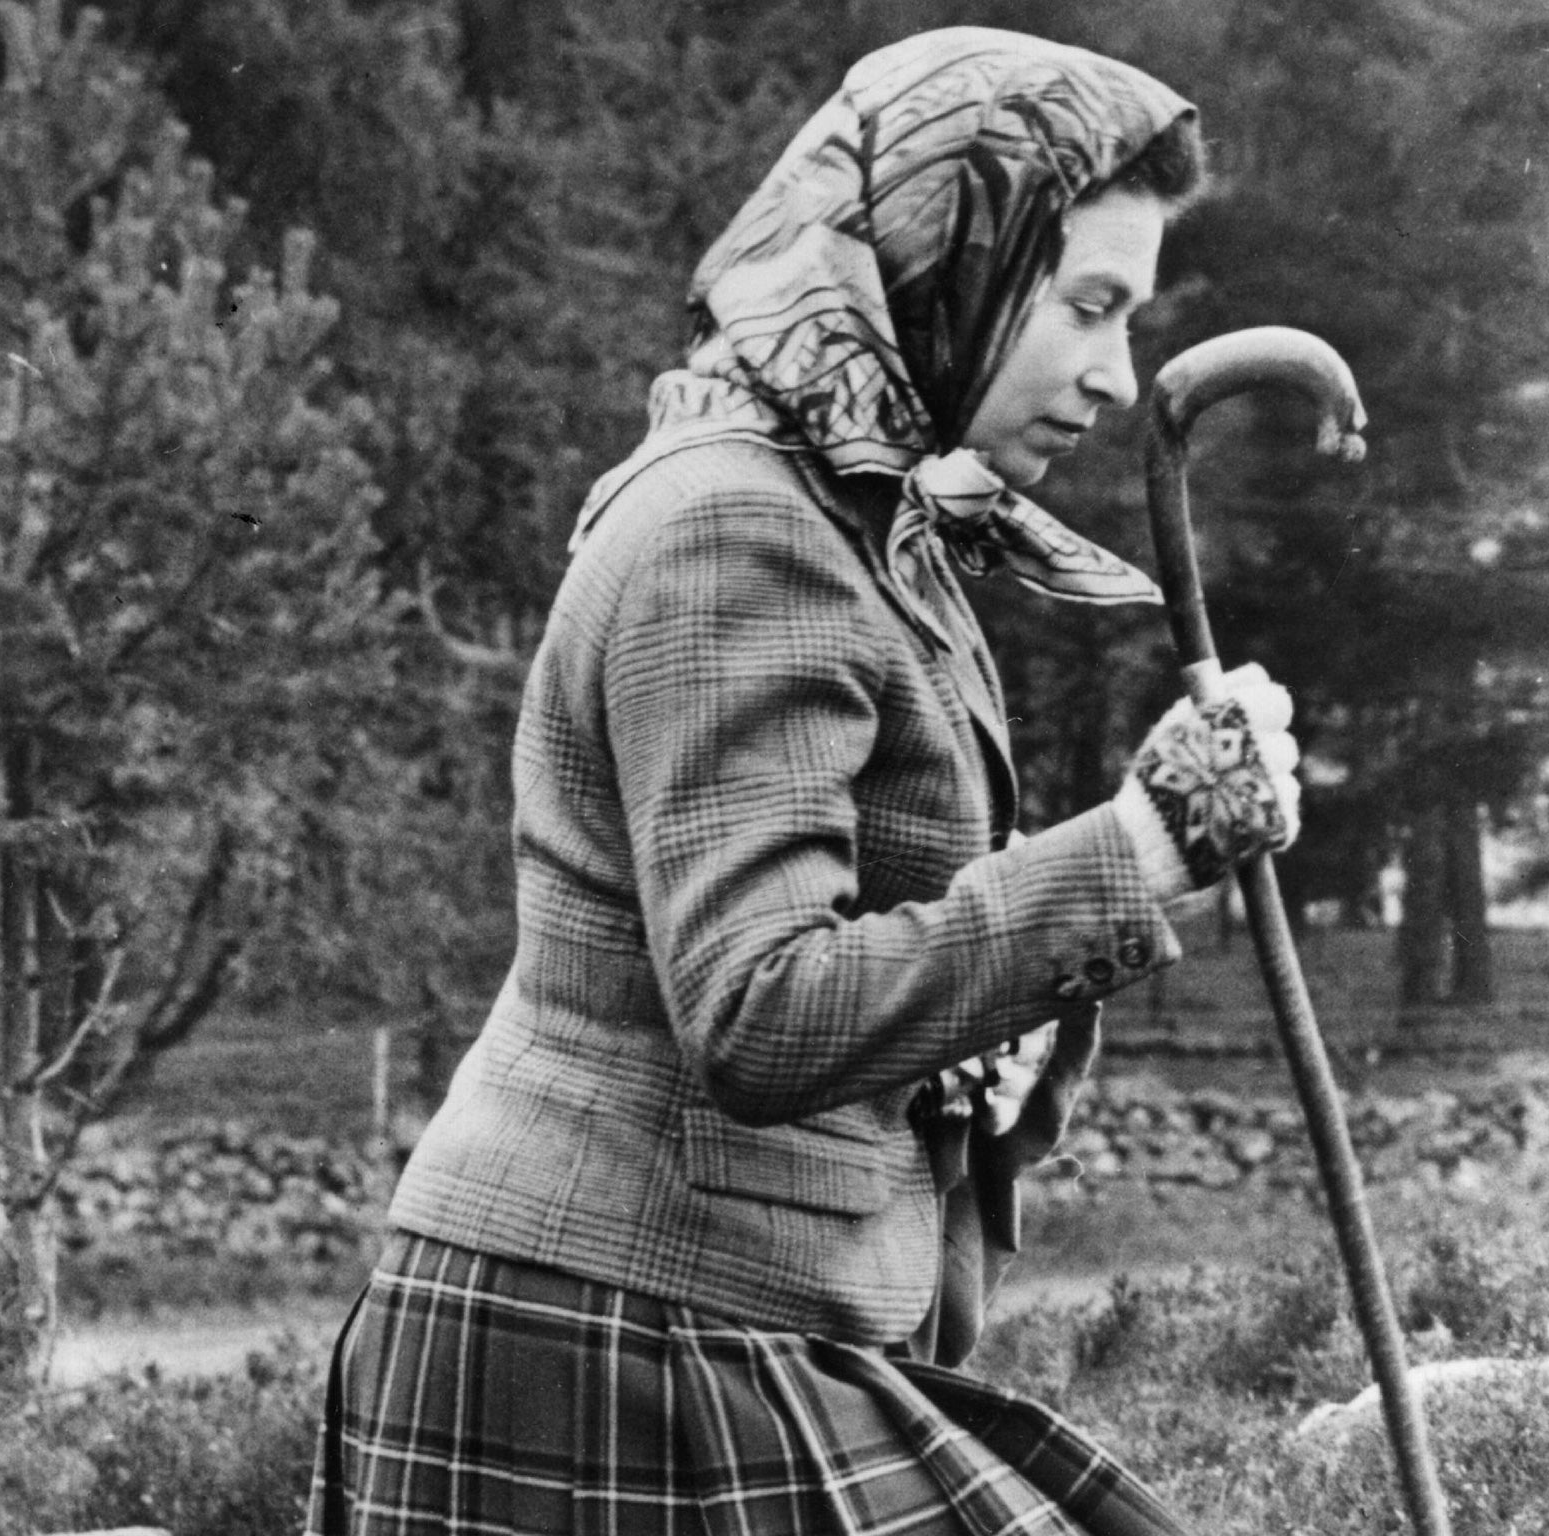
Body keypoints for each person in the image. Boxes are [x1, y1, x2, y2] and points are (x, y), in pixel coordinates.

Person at [307, 26, 1302, 1536]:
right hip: (611, 1340)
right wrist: (1144, 850)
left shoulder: (855, 518)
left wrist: (1005, 1030)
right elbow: (762, 1011)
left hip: (706, 1314)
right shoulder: (737, 533)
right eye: (1089, 308)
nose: (1115, 377)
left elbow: (870, 944)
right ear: (945, 265)